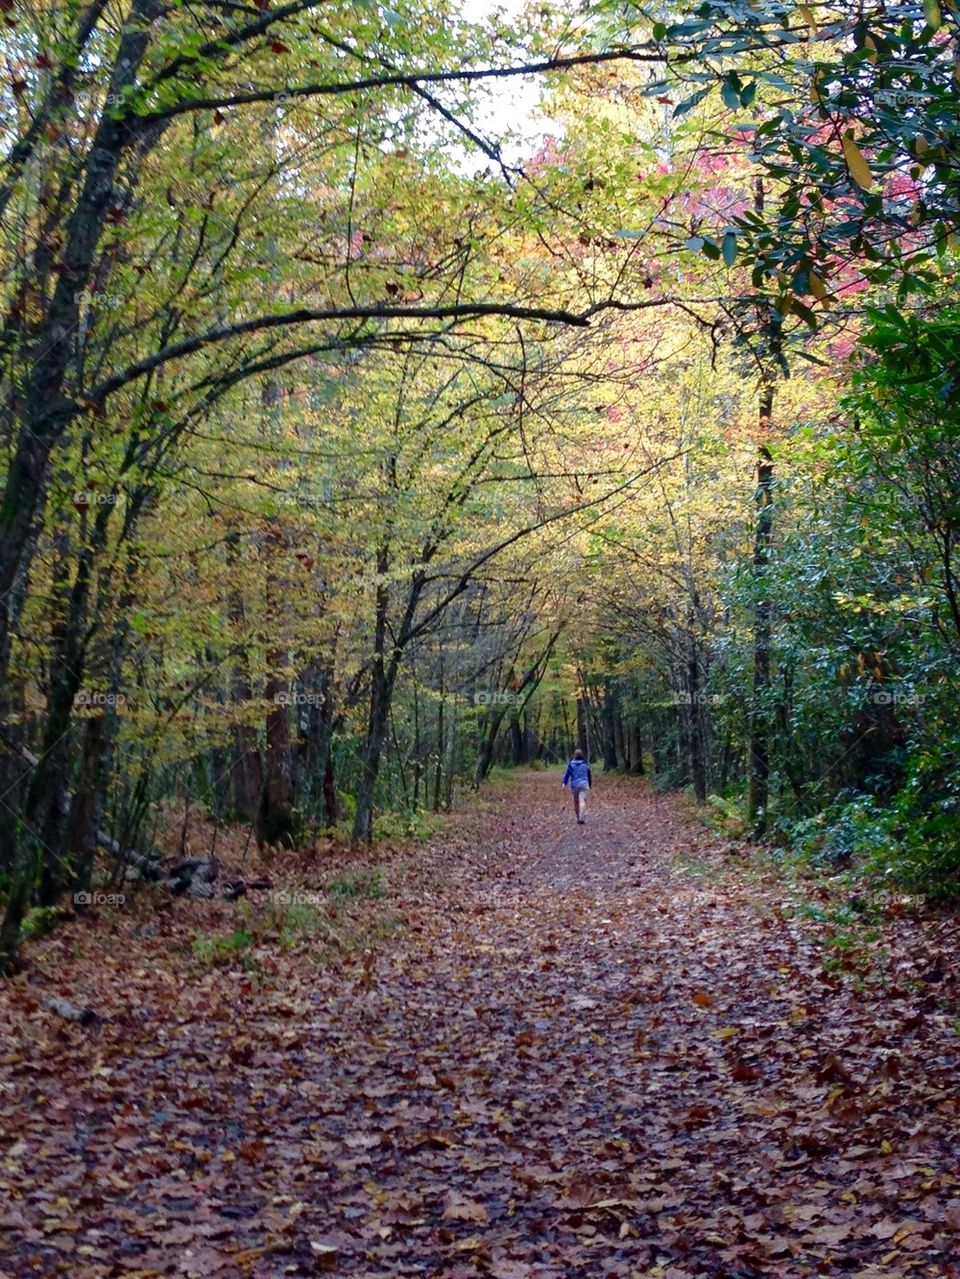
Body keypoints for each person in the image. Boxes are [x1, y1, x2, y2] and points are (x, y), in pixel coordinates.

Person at [562, 749, 592, 824]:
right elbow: (589, 775)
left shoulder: (571, 764)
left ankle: (578, 817)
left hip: (574, 785)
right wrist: (590, 784)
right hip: (584, 784)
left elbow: (567, 774)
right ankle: (581, 817)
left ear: (574, 755)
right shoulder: (586, 764)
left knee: (576, 802)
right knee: (582, 800)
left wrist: (564, 783)